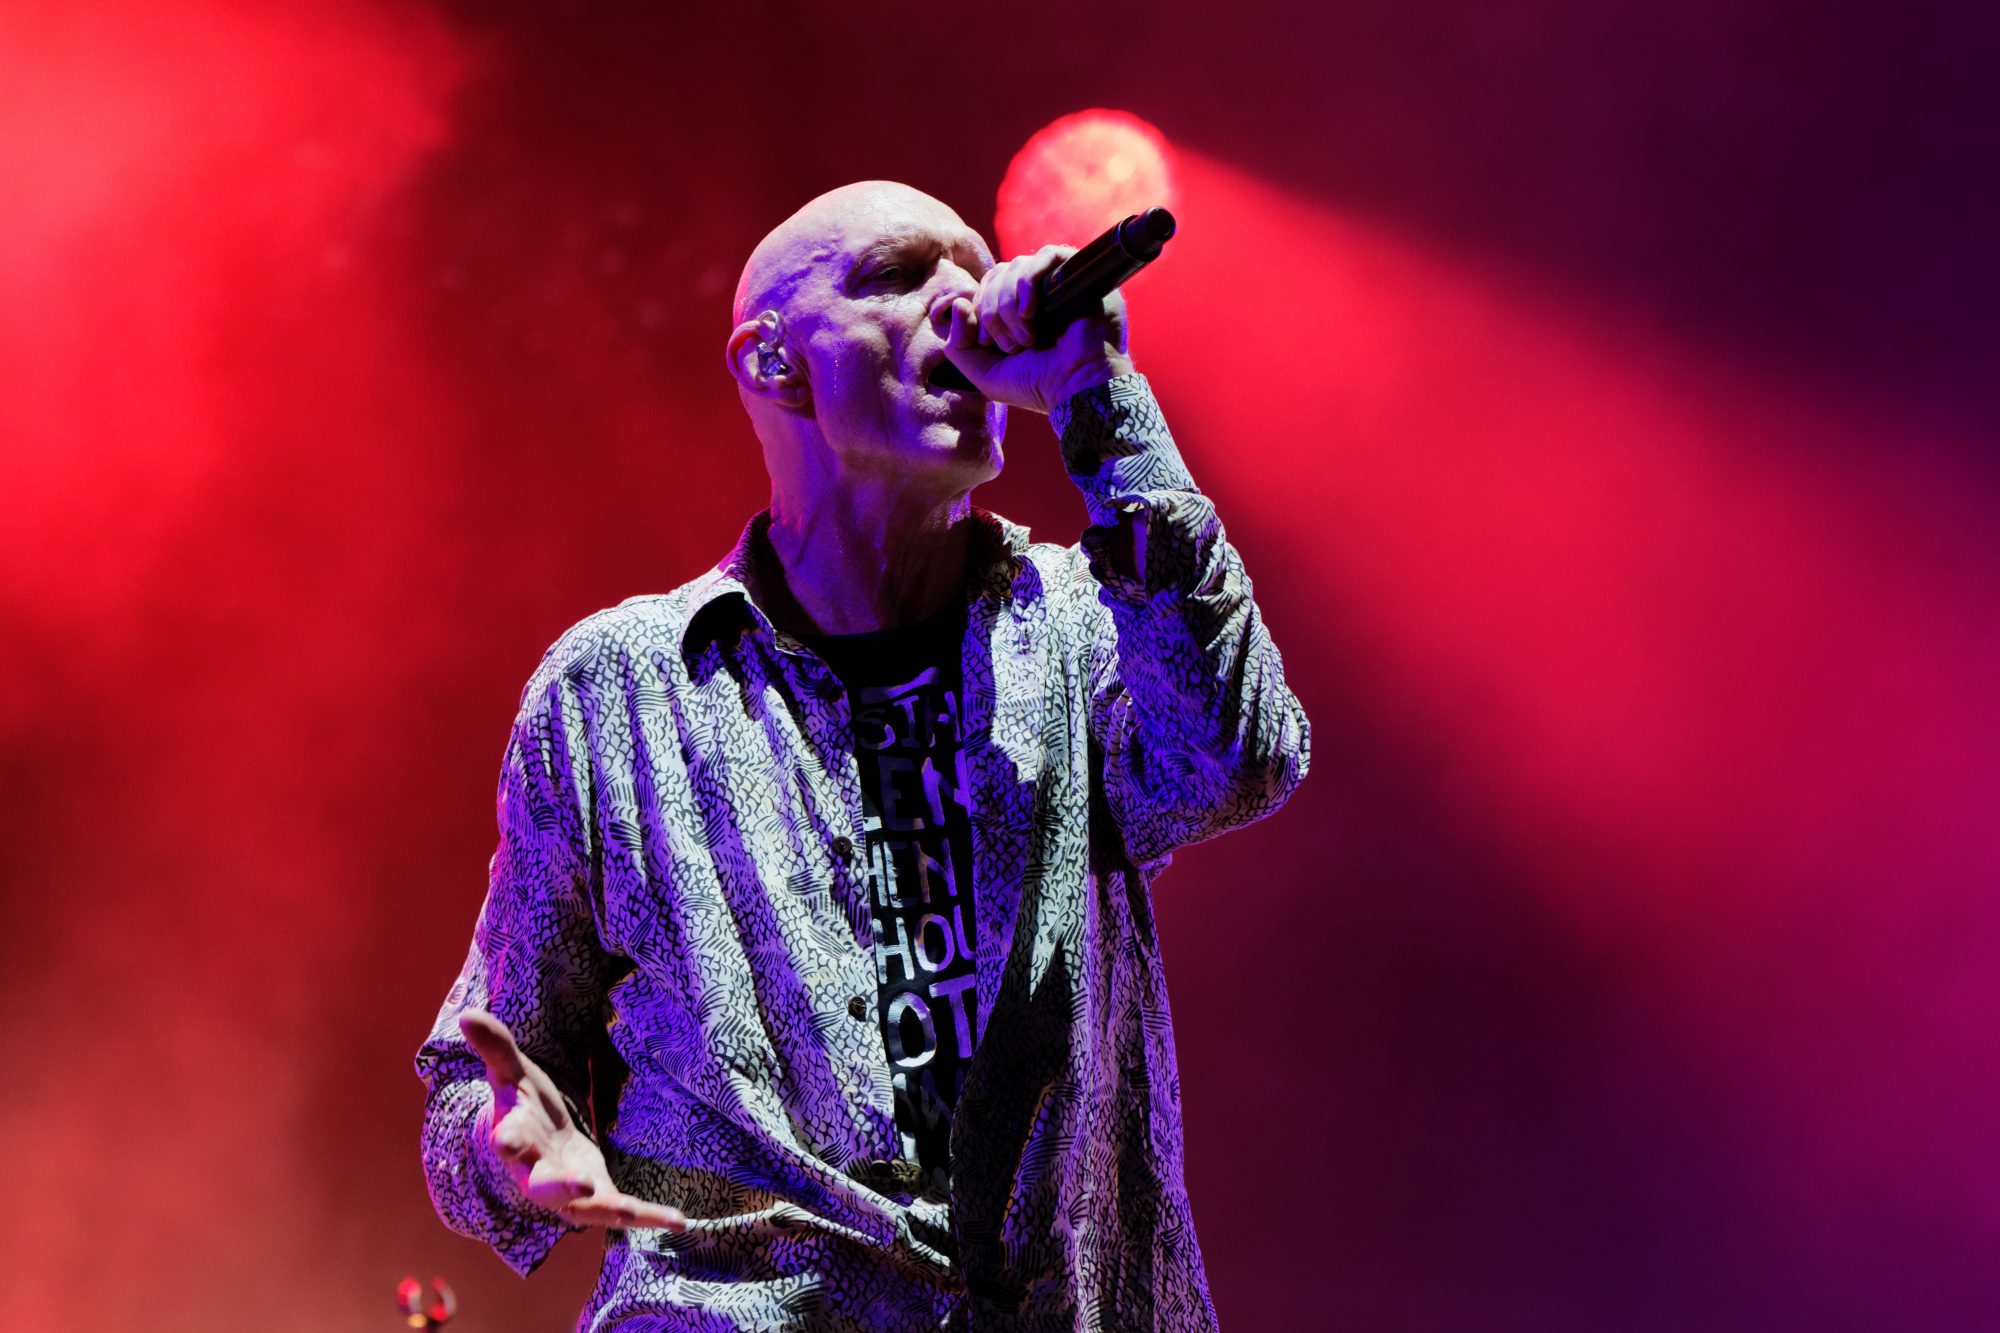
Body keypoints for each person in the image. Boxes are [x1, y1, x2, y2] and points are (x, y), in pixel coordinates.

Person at [416, 180, 1310, 1331]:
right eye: (897, 274)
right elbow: (481, 1072)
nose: (964, 301)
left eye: (973, 268)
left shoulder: (1083, 628)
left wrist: (1097, 394)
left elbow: (1238, 757)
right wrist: (503, 1149)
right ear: (771, 361)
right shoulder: (615, 689)